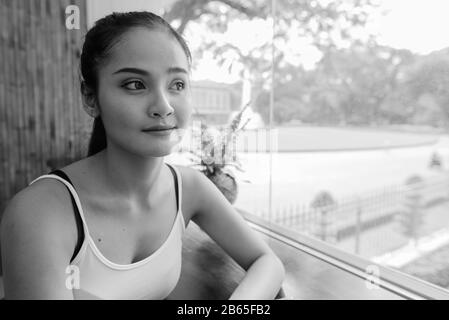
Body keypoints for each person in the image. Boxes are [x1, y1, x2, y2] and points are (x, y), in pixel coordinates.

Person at [0, 11, 285, 300]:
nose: (164, 106)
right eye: (135, 84)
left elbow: (267, 262)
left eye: (177, 84)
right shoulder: (39, 213)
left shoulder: (189, 187)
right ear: (90, 97)